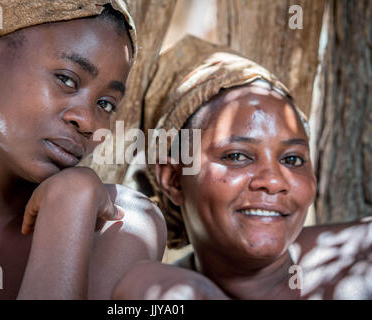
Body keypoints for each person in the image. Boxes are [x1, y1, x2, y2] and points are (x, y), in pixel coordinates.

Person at [0, 0, 166, 299]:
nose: (88, 122)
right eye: (66, 79)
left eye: (105, 104)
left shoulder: (118, 226)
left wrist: (70, 205)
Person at [113, 36, 372, 300]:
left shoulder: (363, 259)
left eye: (292, 160)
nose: (273, 181)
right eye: (237, 156)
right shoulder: (153, 294)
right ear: (174, 180)